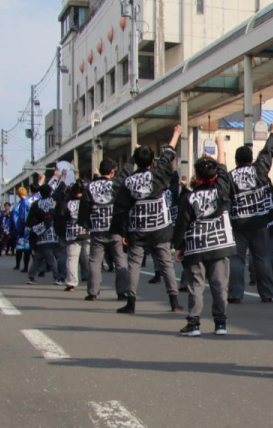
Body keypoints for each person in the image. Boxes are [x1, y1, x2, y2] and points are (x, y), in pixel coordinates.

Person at [117, 126, 183, 314]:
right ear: (153, 161)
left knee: (134, 265)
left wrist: (123, 232)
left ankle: (131, 303)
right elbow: (168, 155)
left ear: (135, 162)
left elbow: (121, 208)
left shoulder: (129, 181)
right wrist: (176, 134)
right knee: (166, 263)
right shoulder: (158, 173)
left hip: (137, 228)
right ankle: (174, 301)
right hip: (160, 226)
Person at [173, 151, 235, 337]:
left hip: (196, 245)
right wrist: (220, 150)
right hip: (220, 243)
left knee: (196, 286)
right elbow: (224, 173)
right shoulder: (222, 191)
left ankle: (194, 323)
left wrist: (178, 246)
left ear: (197, 176)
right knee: (219, 285)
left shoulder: (189, 197)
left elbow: (182, 224)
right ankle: (220, 323)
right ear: (215, 175)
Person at [228, 123, 273, 304]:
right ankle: (267, 294)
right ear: (251, 159)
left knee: (237, 260)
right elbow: (266, 152)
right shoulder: (259, 170)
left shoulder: (230, 176)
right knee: (262, 258)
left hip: (238, 223)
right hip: (259, 222)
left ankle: (235, 295)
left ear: (236, 161)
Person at [79, 158, 130, 302]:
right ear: (112, 172)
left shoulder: (90, 186)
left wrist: (85, 225)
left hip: (97, 227)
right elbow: (123, 206)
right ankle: (122, 292)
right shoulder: (116, 184)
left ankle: (93, 293)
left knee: (95, 261)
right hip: (115, 227)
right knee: (120, 260)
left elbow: (84, 206)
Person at [55, 180, 91, 292]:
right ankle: (91, 278)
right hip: (86, 232)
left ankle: (71, 282)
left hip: (72, 232)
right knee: (88, 256)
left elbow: (62, 216)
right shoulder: (87, 202)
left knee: (72, 257)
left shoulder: (68, 203)